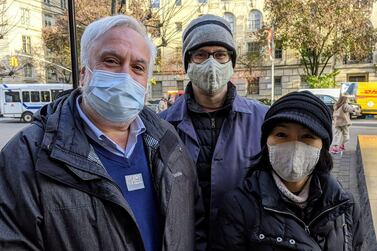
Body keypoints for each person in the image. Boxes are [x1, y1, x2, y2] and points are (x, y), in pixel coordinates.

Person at [0, 15, 205, 251]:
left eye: (138, 67)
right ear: (84, 74)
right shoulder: (27, 156)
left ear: (147, 83)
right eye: (111, 61)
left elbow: (193, 223)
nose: (124, 75)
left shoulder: (168, 142)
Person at [159, 14, 268, 244]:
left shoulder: (262, 121)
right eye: (200, 55)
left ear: (231, 61)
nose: (211, 63)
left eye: (220, 54)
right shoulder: (162, 126)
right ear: (188, 63)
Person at [213, 91, 364, 251]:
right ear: (266, 143)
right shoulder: (239, 206)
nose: (294, 146)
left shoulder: (346, 205)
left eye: (307, 136)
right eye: (281, 134)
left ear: (323, 146)